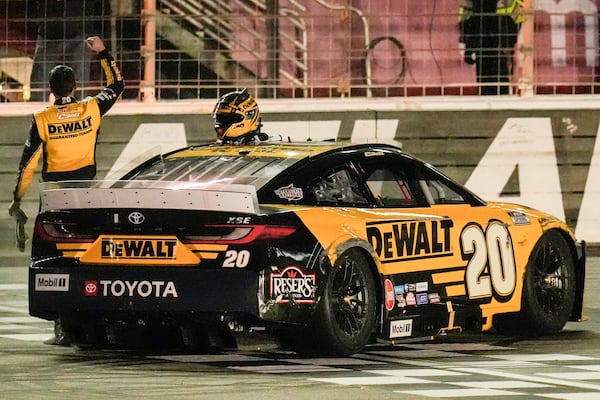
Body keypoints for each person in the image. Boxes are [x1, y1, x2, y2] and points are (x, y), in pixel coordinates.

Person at [8, 35, 124, 345]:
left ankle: (62, 321)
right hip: (85, 194)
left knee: (54, 260)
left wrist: (17, 199)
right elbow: (117, 86)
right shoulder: (91, 108)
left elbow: (29, 163)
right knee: (90, 255)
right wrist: (103, 54)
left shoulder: (43, 119)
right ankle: (96, 314)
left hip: (55, 197)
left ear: (51, 89)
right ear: (74, 87)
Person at [29, 0, 109, 101]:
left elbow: (102, 5)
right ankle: (38, 109)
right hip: (50, 32)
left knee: (79, 78)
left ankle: (79, 110)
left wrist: (100, 33)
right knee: (40, 81)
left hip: (80, 31)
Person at [459, 0, 521, 95]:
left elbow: (467, 16)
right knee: (492, 77)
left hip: (497, 33)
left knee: (494, 75)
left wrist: (469, 46)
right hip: (492, 34)